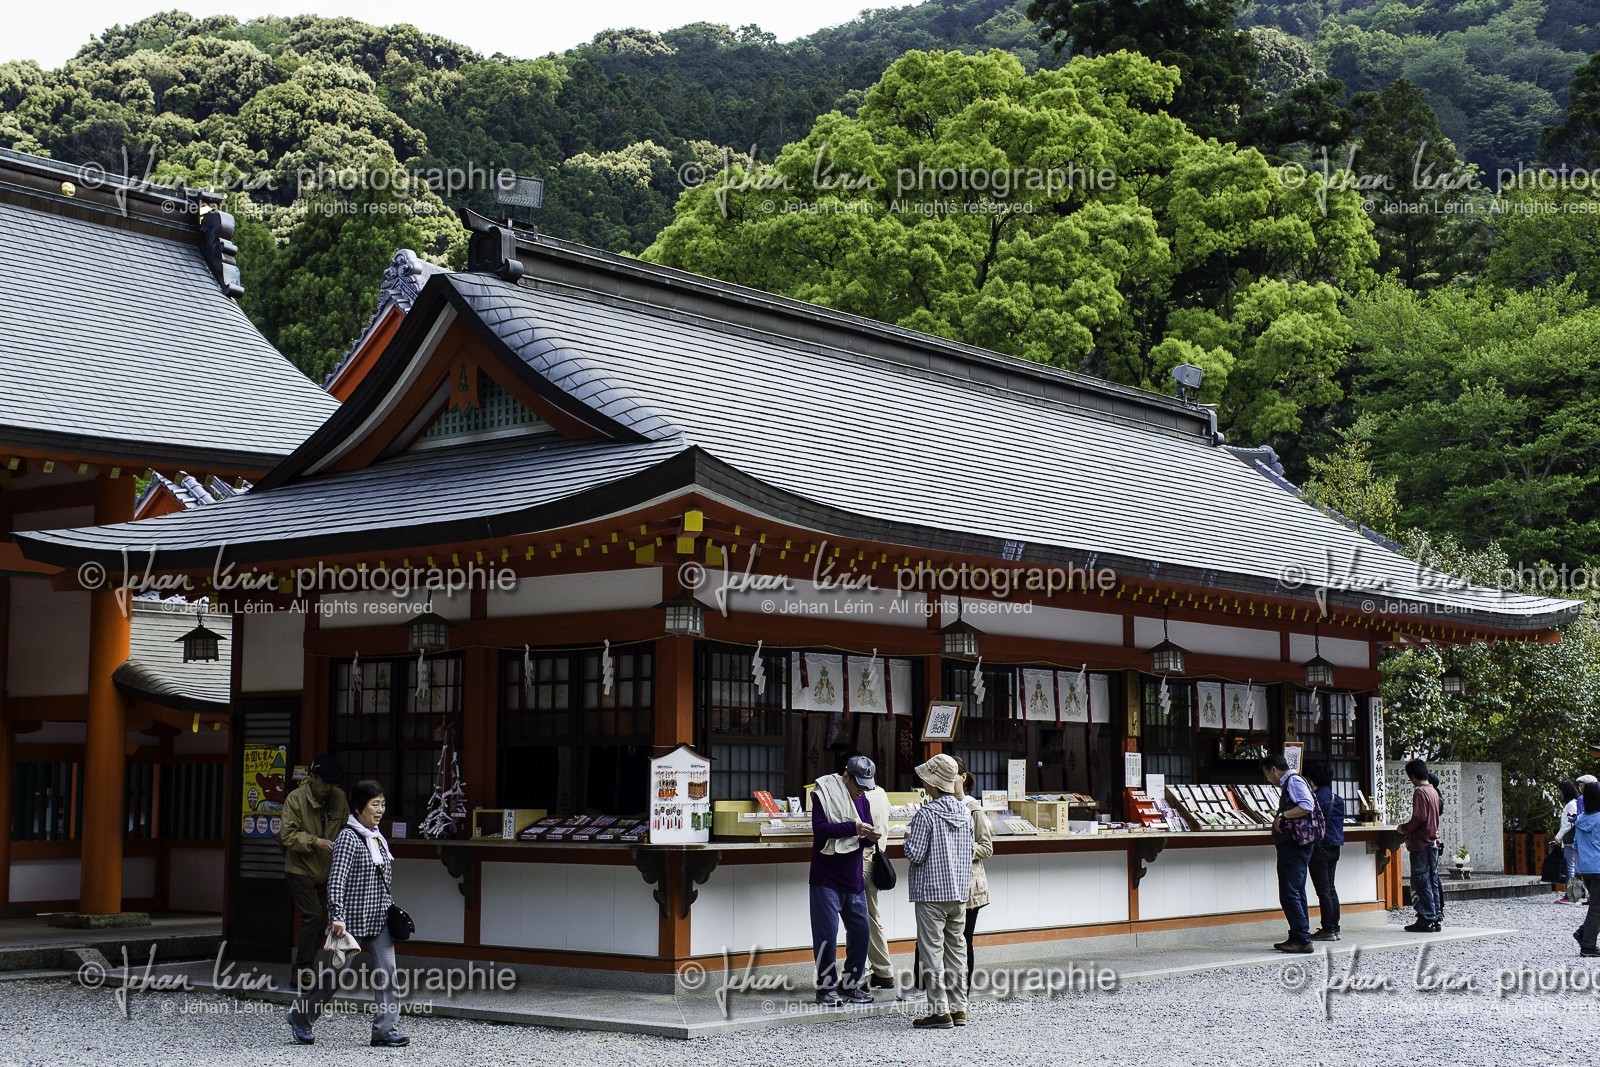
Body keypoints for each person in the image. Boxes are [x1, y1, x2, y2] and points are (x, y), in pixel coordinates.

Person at [288, 779, 409, 1047]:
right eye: (374, 804)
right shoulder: (348, 837)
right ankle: (301, 1016)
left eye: (383, 804)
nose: (380, 810)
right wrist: (337, 917)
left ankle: (384, 1031)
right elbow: (336, 880)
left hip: (378, 919)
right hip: (349, 922)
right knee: (335, 976)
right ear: (358, 808)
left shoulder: (377, 837)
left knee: (388, 973)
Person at [904, 753, 974, 1029]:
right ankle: (959, 1009)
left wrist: (908, 837)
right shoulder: (965, 812)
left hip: (930, 893)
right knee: (956, 950)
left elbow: (915, 855)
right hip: (958, 891)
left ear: (934, 785)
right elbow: (969, 851)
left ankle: (939, 1011)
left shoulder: (926, 814)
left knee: (932, 951)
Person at [809, 754, 880, 1006]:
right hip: (825, 876)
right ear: (846, 776)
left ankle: (850, 984)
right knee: (827, 934)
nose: (861, 791)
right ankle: (825, 988)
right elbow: (819, 830)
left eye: (865, 786)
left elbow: (864, 832)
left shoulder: (863, 801)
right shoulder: (824, 793)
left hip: (854, 876)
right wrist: (853, 828)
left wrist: (870, 837)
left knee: (861, 932)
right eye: (858, 784)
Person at [279, 755, 350, 985]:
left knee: (322, 921)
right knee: (314, 916)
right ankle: (302, 971)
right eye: (324, 783)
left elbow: (348, 827)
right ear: (313, 778)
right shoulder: (295, 799)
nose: (328, 788)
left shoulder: (338, 797)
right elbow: (287, 836)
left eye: (332, 784)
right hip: (299, 868)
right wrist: (315, 841)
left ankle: (306, 968)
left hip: (327, 869)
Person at [1262, 755, 1317, 953]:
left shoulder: (1292, 781)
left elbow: (1306, 805)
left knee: (1289, 892)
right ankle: (1299, 935)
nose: (1268, 778)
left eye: (1267, 774)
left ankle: (1301, 938)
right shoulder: (1295, 781)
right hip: (1298, 844)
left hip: (1295, 845)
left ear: (1274, 769)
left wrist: (1283, 815)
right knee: (1296, 890)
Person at [853, 755, 899, 995]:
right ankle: (880, 971)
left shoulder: (861, 797)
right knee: (870, 916)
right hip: (877, 858)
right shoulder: (881, 794)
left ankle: (880, 971)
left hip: (863, 861)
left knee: (864, 918)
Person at [955, 762, 994, 983]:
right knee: (930, 939)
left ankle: (964, 989)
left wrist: (959, 849)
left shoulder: (973, 808)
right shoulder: (941, 805)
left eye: (952, 776)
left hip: (970, 885)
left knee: (964, 938)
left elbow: (987, 848)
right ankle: (922, 985)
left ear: (962, 777)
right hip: (947, 884)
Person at [1396, 758, 1444, 933]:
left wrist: (1404, 828)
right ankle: (1436, 917)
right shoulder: (1433, 791)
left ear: (1413, 776)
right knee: (1432, 881)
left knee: (1421, 882)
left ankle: (1425, 919)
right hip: (1433, 842)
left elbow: (1419, 818)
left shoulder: (1420, 792)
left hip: (1421, 842)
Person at [1303, 760, 1346, 941]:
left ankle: (1328, 929)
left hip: (1319, 847)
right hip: (1334, 846)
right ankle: (1334, 927)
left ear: (1312, 778)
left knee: (1323, 891)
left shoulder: (1314, 799)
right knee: (1331, 888)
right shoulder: (1337, 799)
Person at [1573, 781, 1600, 958]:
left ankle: (1583, 933)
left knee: (1596, 905)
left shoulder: (1580, 820)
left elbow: (1575, 846)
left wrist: (1576, 870)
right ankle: (1588, 946)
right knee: (1597, 907)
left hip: (1586, 868)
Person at [1556, 780, 1583, 905]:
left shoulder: (1572, 804)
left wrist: (1558, 837)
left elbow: (1568, 824)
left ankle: (1570, 895)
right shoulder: (1572, 803)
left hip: (1570, 840)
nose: (1559, 794)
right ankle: (1572, 894)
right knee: (1571, 866)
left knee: (1570, 867)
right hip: (1570, 840)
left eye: (1560, 791)